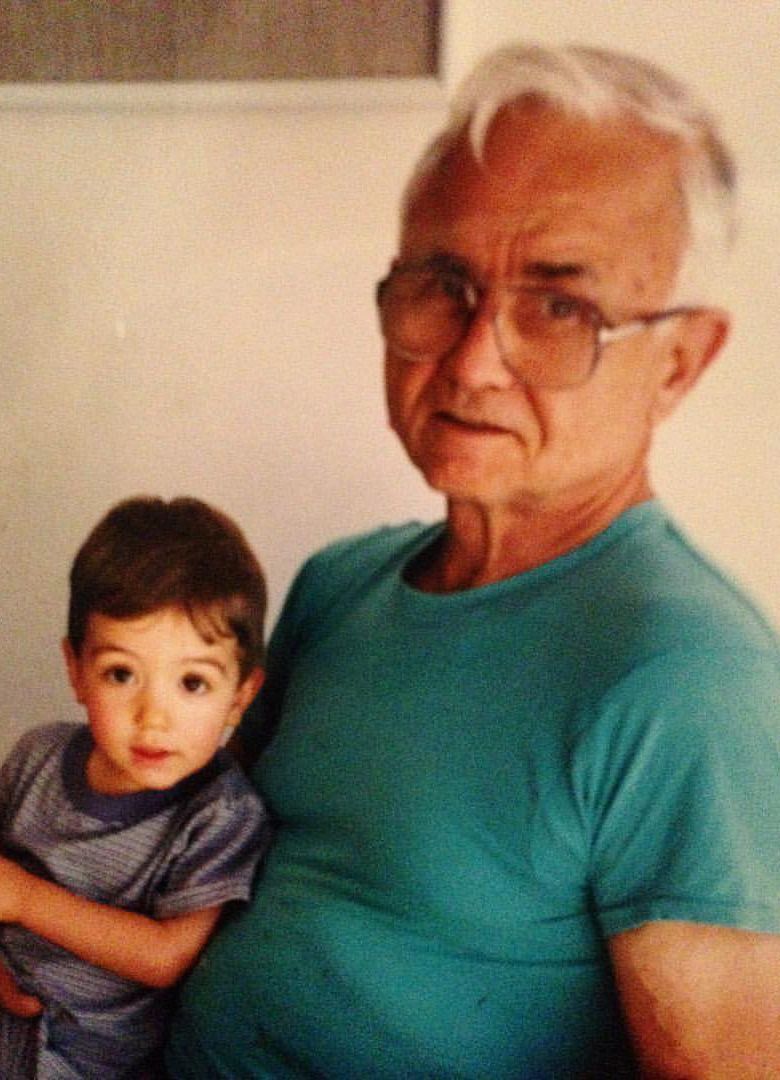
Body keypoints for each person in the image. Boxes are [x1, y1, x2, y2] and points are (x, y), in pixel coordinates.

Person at [0, 496, 271, 1078]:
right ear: (76, 670)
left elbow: (166, 956)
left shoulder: (219, 815)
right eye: (122, 674)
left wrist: (26, 899)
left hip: (81, 1063)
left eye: (193, 683)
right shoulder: (37, 757)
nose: (154, 717)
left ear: (241, 696)